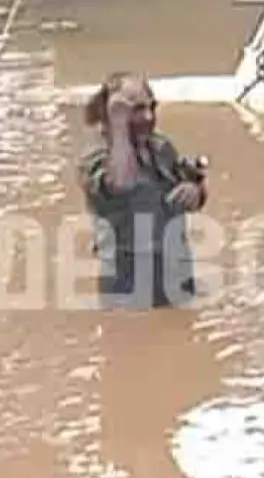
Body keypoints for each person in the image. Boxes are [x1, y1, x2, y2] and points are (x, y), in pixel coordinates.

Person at [77, 72, 208, 307]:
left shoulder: (161, 147)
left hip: (175, 274)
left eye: (152, 107)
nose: (148, 117)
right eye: (136, 110)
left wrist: (195, 191)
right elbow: (122, 183)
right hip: (127, 283)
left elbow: (192, 191)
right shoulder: (96, 157)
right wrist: (117, 126)